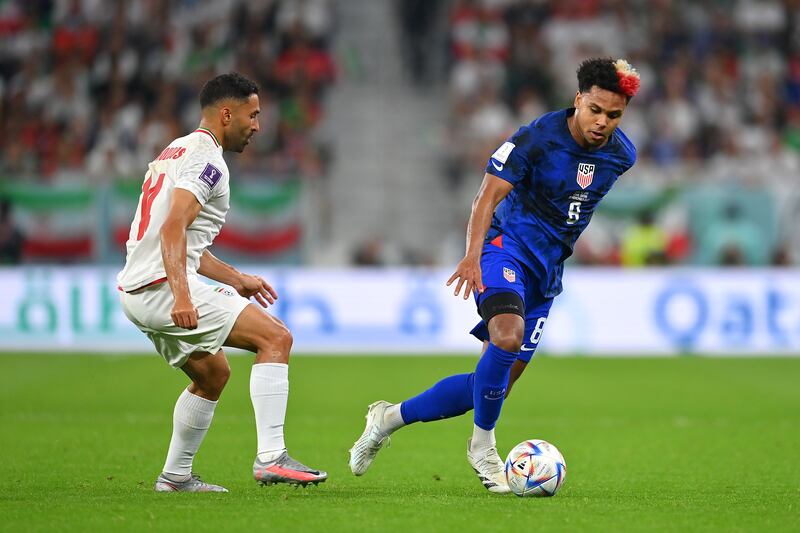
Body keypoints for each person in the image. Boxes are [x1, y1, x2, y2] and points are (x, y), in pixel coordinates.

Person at [349, 58, 639, 493]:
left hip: (547, 271)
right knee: (507, 337)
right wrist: (472, 256)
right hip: (505, 250)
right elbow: (486, 195)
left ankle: (388, 418)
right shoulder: (536, 138)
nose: (602, 122)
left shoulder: (622, 155)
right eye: (595, 109)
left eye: (613, 115)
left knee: (492, 386)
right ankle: (484, 451)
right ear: (578, 100)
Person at [117, 72, 326, 493]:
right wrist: (180, 294)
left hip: (136, 290)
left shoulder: (175, 151)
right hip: (162, 286)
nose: (257, 126)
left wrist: (237, 279)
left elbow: (186, 241)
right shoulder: (207, 159)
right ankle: (272, 457)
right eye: (253, 115)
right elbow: (173, 229)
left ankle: (175, 477)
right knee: (276, 338)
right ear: (226, 113)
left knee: (212, 374)